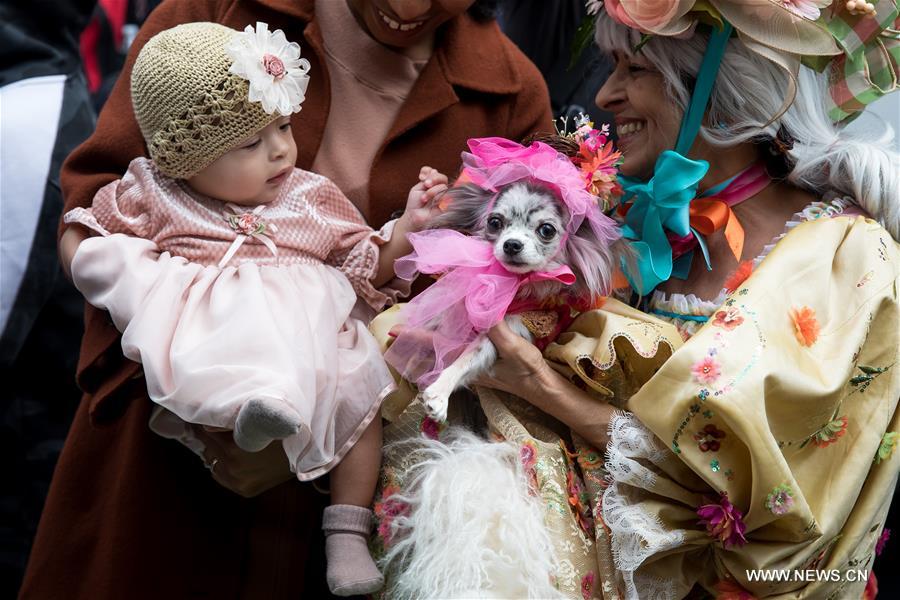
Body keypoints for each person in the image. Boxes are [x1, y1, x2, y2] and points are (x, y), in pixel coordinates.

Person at [20, 0, 552, 598]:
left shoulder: (508, 96)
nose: (409, 8)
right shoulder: (215, 12)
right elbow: (95, 211)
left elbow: (506, 316)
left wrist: (315, 443)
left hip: (335, 504)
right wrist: (173, 344)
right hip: (157, 470)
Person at [370, 1, 900, 598]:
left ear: (716, 85)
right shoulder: (618, 235)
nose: (603, 95)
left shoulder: (845, 257)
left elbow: (771, 514)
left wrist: (541, 388)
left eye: (633, 69)